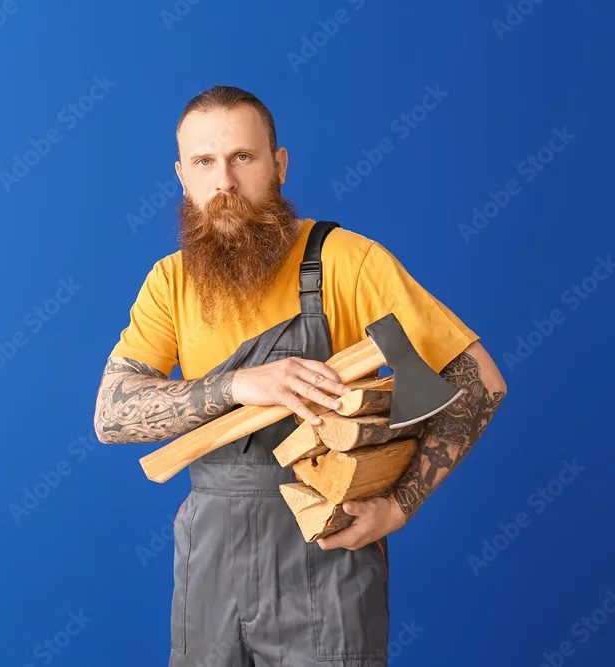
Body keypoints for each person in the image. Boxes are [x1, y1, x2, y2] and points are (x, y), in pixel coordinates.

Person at [92, 85, 508, 667]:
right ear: (182, 176)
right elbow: (112, 415)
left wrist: (399, 505)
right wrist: (238, 385)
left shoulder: (347, 263)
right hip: (209, 565)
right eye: (204, 162)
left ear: (279, 164)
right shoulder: (171, 281)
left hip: (325, 557)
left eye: (243, 157)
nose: (224, 183)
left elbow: (479, 381)